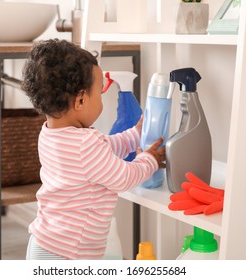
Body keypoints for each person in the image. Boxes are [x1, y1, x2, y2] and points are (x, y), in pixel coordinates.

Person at [22, 39, 165, 260]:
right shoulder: (84, 144)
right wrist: (150, 160)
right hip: (68, 253)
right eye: (99, 93)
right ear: (80, 100)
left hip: (45, 243)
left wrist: (135, 134)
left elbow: (105, 149)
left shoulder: (50, 133)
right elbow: (124, 178)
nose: (101, 99)